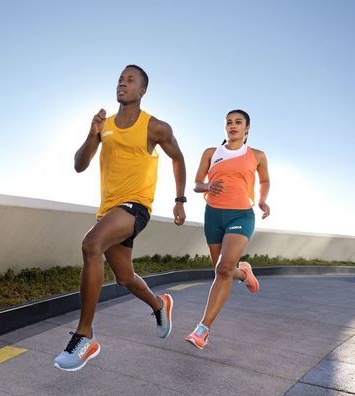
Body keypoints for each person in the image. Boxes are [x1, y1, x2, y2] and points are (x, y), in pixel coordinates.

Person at [53, 65, 187, 371]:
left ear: (143, 90)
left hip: (136, 205)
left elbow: (177, 158)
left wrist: (179, 200)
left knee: (91, 244)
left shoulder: (156, 127)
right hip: (109, 209)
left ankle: (85, 337)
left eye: (130, 80)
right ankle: (159, 304)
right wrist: (92, 134)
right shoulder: (105, 125)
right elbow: (79, 165)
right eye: (120, 80)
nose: (122, 84)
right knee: (125, 278)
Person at [185, 109, 270, 350]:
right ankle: (244, 273)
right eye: (229, 122)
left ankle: (202, 330)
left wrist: (262, 200)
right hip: (213, 215)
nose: (233, 126)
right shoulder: (211, 153)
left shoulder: (257, 155)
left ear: (247, 129)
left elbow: (264, 180)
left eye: (238, 122)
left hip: (241, 215)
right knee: (223, 270)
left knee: (223, 269)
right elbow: (197, 184)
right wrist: (208, 186)